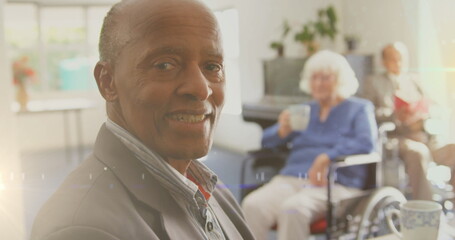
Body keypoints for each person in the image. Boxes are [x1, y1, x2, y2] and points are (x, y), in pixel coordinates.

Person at [30, 1, 254, 240]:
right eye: (165, 65)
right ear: (108, 82)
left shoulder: (208, 188)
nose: (201, 89)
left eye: (212, 66)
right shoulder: (82, 228)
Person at [242, 50, 378, 240]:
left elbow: (366, 143)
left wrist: (327, 157)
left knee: (292, 210)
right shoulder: (305, 111)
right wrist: (281, 130)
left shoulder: (359, 108)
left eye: (325, 78)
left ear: (340, 79)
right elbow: (266, 141)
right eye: (314, 78)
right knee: (252, 205)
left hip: (335, 183)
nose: (318, 83)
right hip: (292, 178)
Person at [363, 42, 455, 200]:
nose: (398, 63)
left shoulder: (414, 81)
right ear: (384, 62)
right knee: (419, 152)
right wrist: (395, 115)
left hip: (424, 135)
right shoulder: (373, 82)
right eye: (393, 59)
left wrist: (423, 119)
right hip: (397, 138)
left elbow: (434, 106)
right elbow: (368, 113)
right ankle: (425, 210)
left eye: (401, 59)